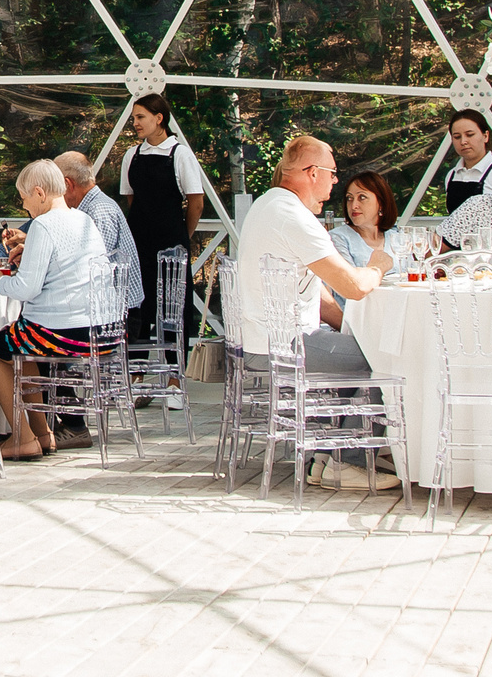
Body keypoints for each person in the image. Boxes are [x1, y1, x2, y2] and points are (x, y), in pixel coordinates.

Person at [240, 135, 396, 490]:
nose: (335, 181)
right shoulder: (295, 217)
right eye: (332, 173)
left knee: (356, 353)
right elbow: (354, 286)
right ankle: (347, 462)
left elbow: (321, 294)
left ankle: (325, 458)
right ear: (312, 173)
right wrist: (378, 266)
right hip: (287, 346)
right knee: (386, 357)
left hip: (264, 342)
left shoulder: (269, 205)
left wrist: (353, 333)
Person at [0, 159, 113, 460]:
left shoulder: (44, 224)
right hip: (100, 331)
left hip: (61, 332)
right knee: (19, 341)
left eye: (25, 198)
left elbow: (27, 289)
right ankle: (42, 434)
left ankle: (22, 435)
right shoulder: (84, 220)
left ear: (40, 193)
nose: (24, 206)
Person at [118, 96, 204, 341]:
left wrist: (181, 237)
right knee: (138, 305)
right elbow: (131, 198)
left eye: (141, 117)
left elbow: (196, 203)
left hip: (171, 243)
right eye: (133, 118)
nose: (135, 123)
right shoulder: (131, 155)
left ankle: (174, 375)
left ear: (159, 118)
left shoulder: (180, 154)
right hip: (138, 244)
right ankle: (136, 369)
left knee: (174, 305)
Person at [54, 150, 142, 319]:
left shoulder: (99, 210)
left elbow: (91, 263)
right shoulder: (89, 206)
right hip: (102, 308)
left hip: (117, 314)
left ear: (68, 184)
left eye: (56, 189)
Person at [326, 171, 399, 307]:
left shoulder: (397, 238)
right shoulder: (338, 239)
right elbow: (348, 287)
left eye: (362, 197)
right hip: (359, 318)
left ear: (381, 204)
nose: (354, 205)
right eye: (349, 198)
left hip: (398, 311)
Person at [440, 112, 492, 212]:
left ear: (485, 136)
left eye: (470, 135)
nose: (463, 142)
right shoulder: (452, 175)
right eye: (457, 137)